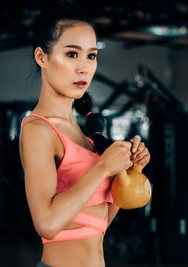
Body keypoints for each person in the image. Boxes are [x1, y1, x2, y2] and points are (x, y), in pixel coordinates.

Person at [19, 7, 150, 267]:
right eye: (71, 54)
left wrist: (129, 172)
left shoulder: (84, 136)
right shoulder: (38, 129)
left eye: (91, 56)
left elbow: (97, 225)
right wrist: (103, 167)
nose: (84, 67)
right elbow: (46, 225)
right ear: (41, 57)